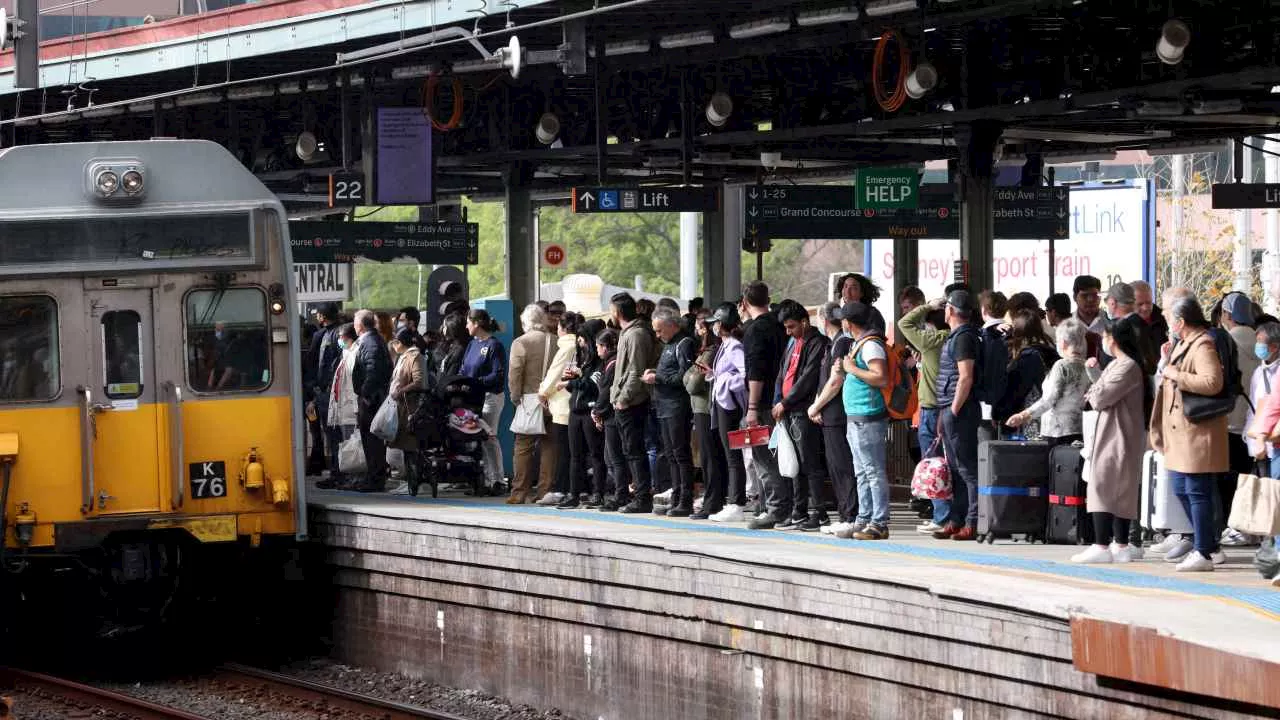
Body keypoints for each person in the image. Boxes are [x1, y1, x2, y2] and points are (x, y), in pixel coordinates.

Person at [1150, 296, 1229, 571]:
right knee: (1181, 488)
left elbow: (1212, 382)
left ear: (1181, 321)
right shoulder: (1184, 343)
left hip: (1196, 431)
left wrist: (1174, 372)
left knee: (1196, 490)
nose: (1167, 323)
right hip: (1181, 433)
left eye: (1170, 318)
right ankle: (1205, 543)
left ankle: (1204, 551)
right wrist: (1166, 361)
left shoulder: (1203, 344)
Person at [1072, 318, 1152, 563]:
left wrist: (1095, 391)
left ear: (1114, 339)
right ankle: (1119, 544)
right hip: (1113, 433)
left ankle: (1102, 544)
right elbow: (1100, 390)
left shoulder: (1127, 366)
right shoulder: (1119, 365)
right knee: (1115, 487)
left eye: (1105, 336)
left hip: (1118, 435)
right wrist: (1096, 379)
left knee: (1105, 486)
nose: (1103, 341)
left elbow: (1099, 397)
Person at [832, 301, 891, 540]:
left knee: (873, 471)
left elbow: (881, 378)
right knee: (862, 472)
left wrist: (851, 369)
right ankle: (864, 518)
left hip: (868, 417)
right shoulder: (859, 344)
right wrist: (846, 369)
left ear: (849, 323)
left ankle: (880, 521)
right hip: (856, 417)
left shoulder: (871, 346)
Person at [772, 303, 831, 531]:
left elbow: (808, 377)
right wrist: (778, 400)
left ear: (805, 322)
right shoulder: (791, 342)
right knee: (794, 464)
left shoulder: (817, 343)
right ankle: (799, 510)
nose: (788, 332)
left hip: (803, 411)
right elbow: (782, 373)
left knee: (810, 463)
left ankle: (819, 511)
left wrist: (786, 402)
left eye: (792, 327)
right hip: (787, 411)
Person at [897, 296, 952, 534]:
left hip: (932, 408)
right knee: (951, 464)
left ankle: (942, 516)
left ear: (931, 325)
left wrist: (929, 305)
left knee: (934, 464)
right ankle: (951, 515)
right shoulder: (952, 339)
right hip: (949, 407)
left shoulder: (931, 341)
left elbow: (904, 324)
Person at [736, 282, 788, 531]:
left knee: (764, 459)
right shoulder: (780, 325)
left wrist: (752, 407)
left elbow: (755, 372)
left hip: (763, 402)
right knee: (782, 457)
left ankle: (775, 510)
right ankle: (775, 506)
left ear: (745, 303)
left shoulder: (755, 331)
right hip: (781, 399)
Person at [933, 290, 982, 542]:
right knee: (955, 469)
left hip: (960, 410)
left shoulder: (964, 338)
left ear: (951, 310)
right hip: (950, 407)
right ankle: (957, 517)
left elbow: (966, 376)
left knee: (967, 468)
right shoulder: (958, 336)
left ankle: (972, 521)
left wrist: (952, 410)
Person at [641, 307, 697, 516]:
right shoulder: (668, 345)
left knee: (680, 453)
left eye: (659, 330)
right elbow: (670, 372)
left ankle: (685, 499)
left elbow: (685, 377)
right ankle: (676, 495)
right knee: (671, 454)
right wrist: (657, 373)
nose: (657, 335)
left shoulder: (684, 344)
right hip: (663, 405)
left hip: (676, 406)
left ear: (672, 326)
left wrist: (659, 378)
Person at [1007, 318, 1093, 446]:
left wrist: (1023, 415)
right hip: (1079, 429)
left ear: (1063, 343)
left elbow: (1049, 400)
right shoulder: (1088, 367)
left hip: (1056, 431)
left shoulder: (1062, 366)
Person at [1219, 292, 1262, 546]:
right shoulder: (1260, 340)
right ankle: (1250, 526)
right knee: (1250, 475)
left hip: (1229, 419)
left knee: (1229, 479)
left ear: (1226, 314)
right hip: (1255, 423)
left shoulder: (1226, 341)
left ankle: (1235, 525)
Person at [611, 293, 659, 513]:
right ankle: (632, 494)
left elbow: (635, 370)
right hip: (624, 401)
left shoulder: (636, 334)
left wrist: (623, 398)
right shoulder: (627, 333)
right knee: (628, 450)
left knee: (635, 450)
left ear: (619, 312)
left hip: (632, 402)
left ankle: (642, 497)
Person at [507, 304, 557, 504]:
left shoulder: (521, 342)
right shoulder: (556, 341)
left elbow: (515, 373)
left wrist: (515, 395)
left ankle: (519, 492)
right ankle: (545, 491)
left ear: (526, 322)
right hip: (553, 400)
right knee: (550, 445)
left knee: (523, 446)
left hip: (529, 400)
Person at [707, 303, 749, 523]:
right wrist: (716, 375)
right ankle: (732, 500)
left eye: (715, 323)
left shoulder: (734, 347)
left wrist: (724, 381)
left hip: (729, 405)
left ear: (721, 324)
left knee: (733, 455)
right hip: (721, 404)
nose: (712, 327)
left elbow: (744, 375)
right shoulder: (724, 345)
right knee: (728, 453)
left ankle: (736, 503)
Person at [560, 319, 607, 509]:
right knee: (575, 455)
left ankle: (598, 493)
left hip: (590, 410)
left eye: (584, 339)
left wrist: (573, 382)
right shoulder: (582, 357)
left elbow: (593, 385)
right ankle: (574, 493)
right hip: (575, 410)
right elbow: (578, 386)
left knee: (596, 454)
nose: (581, 343)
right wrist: (572, 381)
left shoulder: (600, 362)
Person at [537, 312, 581, 506]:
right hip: (571, 401)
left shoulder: (567, 346)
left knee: (563, 450)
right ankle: (572, 488)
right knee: (572, 450)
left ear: (562, 328)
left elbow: (555, 373)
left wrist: (543, 392)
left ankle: (560, 488)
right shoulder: (578, 344)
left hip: (563, 404)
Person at [462, 309, 507, 492]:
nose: (466, 326)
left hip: (490, 396)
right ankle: (486, 479)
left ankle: (497, 480)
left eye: (468, 322)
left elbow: (497, 374)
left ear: (477, 323)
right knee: (478, 438)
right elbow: (464, 368)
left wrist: (477, 382)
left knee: (489, 436)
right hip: (473, 397)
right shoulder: (472, 345)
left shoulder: (494, 346)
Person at [995, 310, 1057, 437]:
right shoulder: (1051, 351)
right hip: (1049, 419)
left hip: (1026, 423)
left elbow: (1015, 391)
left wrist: (999, 414)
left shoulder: (1027, 357)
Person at [351, 309, 393, 493]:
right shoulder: (374, 340)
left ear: (359, 325)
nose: (353, 324)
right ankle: (374, 476)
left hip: (372, 400)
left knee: (372, 440)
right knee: (371, 440)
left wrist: (365, 394)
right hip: (373, 397)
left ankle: (375, 479)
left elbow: (374, 370)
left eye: (354, 321)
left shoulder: (370, 342)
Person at [686, 316, 723, 520]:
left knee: (710, 458)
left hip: (705, 409)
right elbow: (688, 377)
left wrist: (690, 375)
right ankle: (712, 500)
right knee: (708, 457)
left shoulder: (709, 353)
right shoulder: (705, 353)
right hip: (701, 408)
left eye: (699, 328)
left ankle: (712, 502)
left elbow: (692, 383)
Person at [387, 327, 427, 495]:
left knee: (411, 447)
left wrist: (401, 390)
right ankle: (409, 480)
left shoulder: (415, 356)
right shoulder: (403, 357)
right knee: (405, 447)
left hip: (411, 407)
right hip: (402, 406)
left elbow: (419, 381)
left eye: (395, 342)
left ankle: (415, 481)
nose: (394, 345)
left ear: (400, 343)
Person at [319, 323, 360, 490]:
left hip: (351, 407)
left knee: (351, 443)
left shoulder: (354, 353)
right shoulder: (346, 353)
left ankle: (352, 476)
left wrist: (356, 407)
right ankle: (345, 476)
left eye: (341, 337)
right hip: (342, 406)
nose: (338, 340)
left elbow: (353, 382)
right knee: (344, 443)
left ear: (348, 337)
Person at [591, 329, 626, 510]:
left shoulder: (612, 364)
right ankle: (620, 492)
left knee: (615, 458)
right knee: (610, 457)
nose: (596, 350)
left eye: (598, 346)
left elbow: (606, 391)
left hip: (612, 415)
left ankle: (621, 494)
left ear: (605, 346)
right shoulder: (610, 362)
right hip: (610, 414)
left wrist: (597, 411)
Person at [308, 303, 344, 479]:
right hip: (334, 389)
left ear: (322, 317)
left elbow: (315, 363)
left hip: (327, 391)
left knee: (331, 432)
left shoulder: (323, 336)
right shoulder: (340, 333)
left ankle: (337, 473)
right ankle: (338, 470)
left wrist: (317, 387)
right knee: (335, 433)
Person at [1246, 322, 1280, 478]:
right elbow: (1253, 407)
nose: (1258, 346)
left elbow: (1274, 405)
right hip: (1259, 445)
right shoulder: (1258, 372)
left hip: (1275, 442)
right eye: (1257, 341)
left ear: (1274, 347)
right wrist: (1250, 437)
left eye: (1261, 342)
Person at [1131, 280, 1169, 350]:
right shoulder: (1121, 327)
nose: (1145, 308)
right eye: (1140, 304)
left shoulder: (1166, 320)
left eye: (1148, 302)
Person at [436, 313, 470, 381]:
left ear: (451, 328)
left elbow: (451, 376)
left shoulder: (459, 350)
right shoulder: (453, 345)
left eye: (445, 326)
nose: (442, 329)